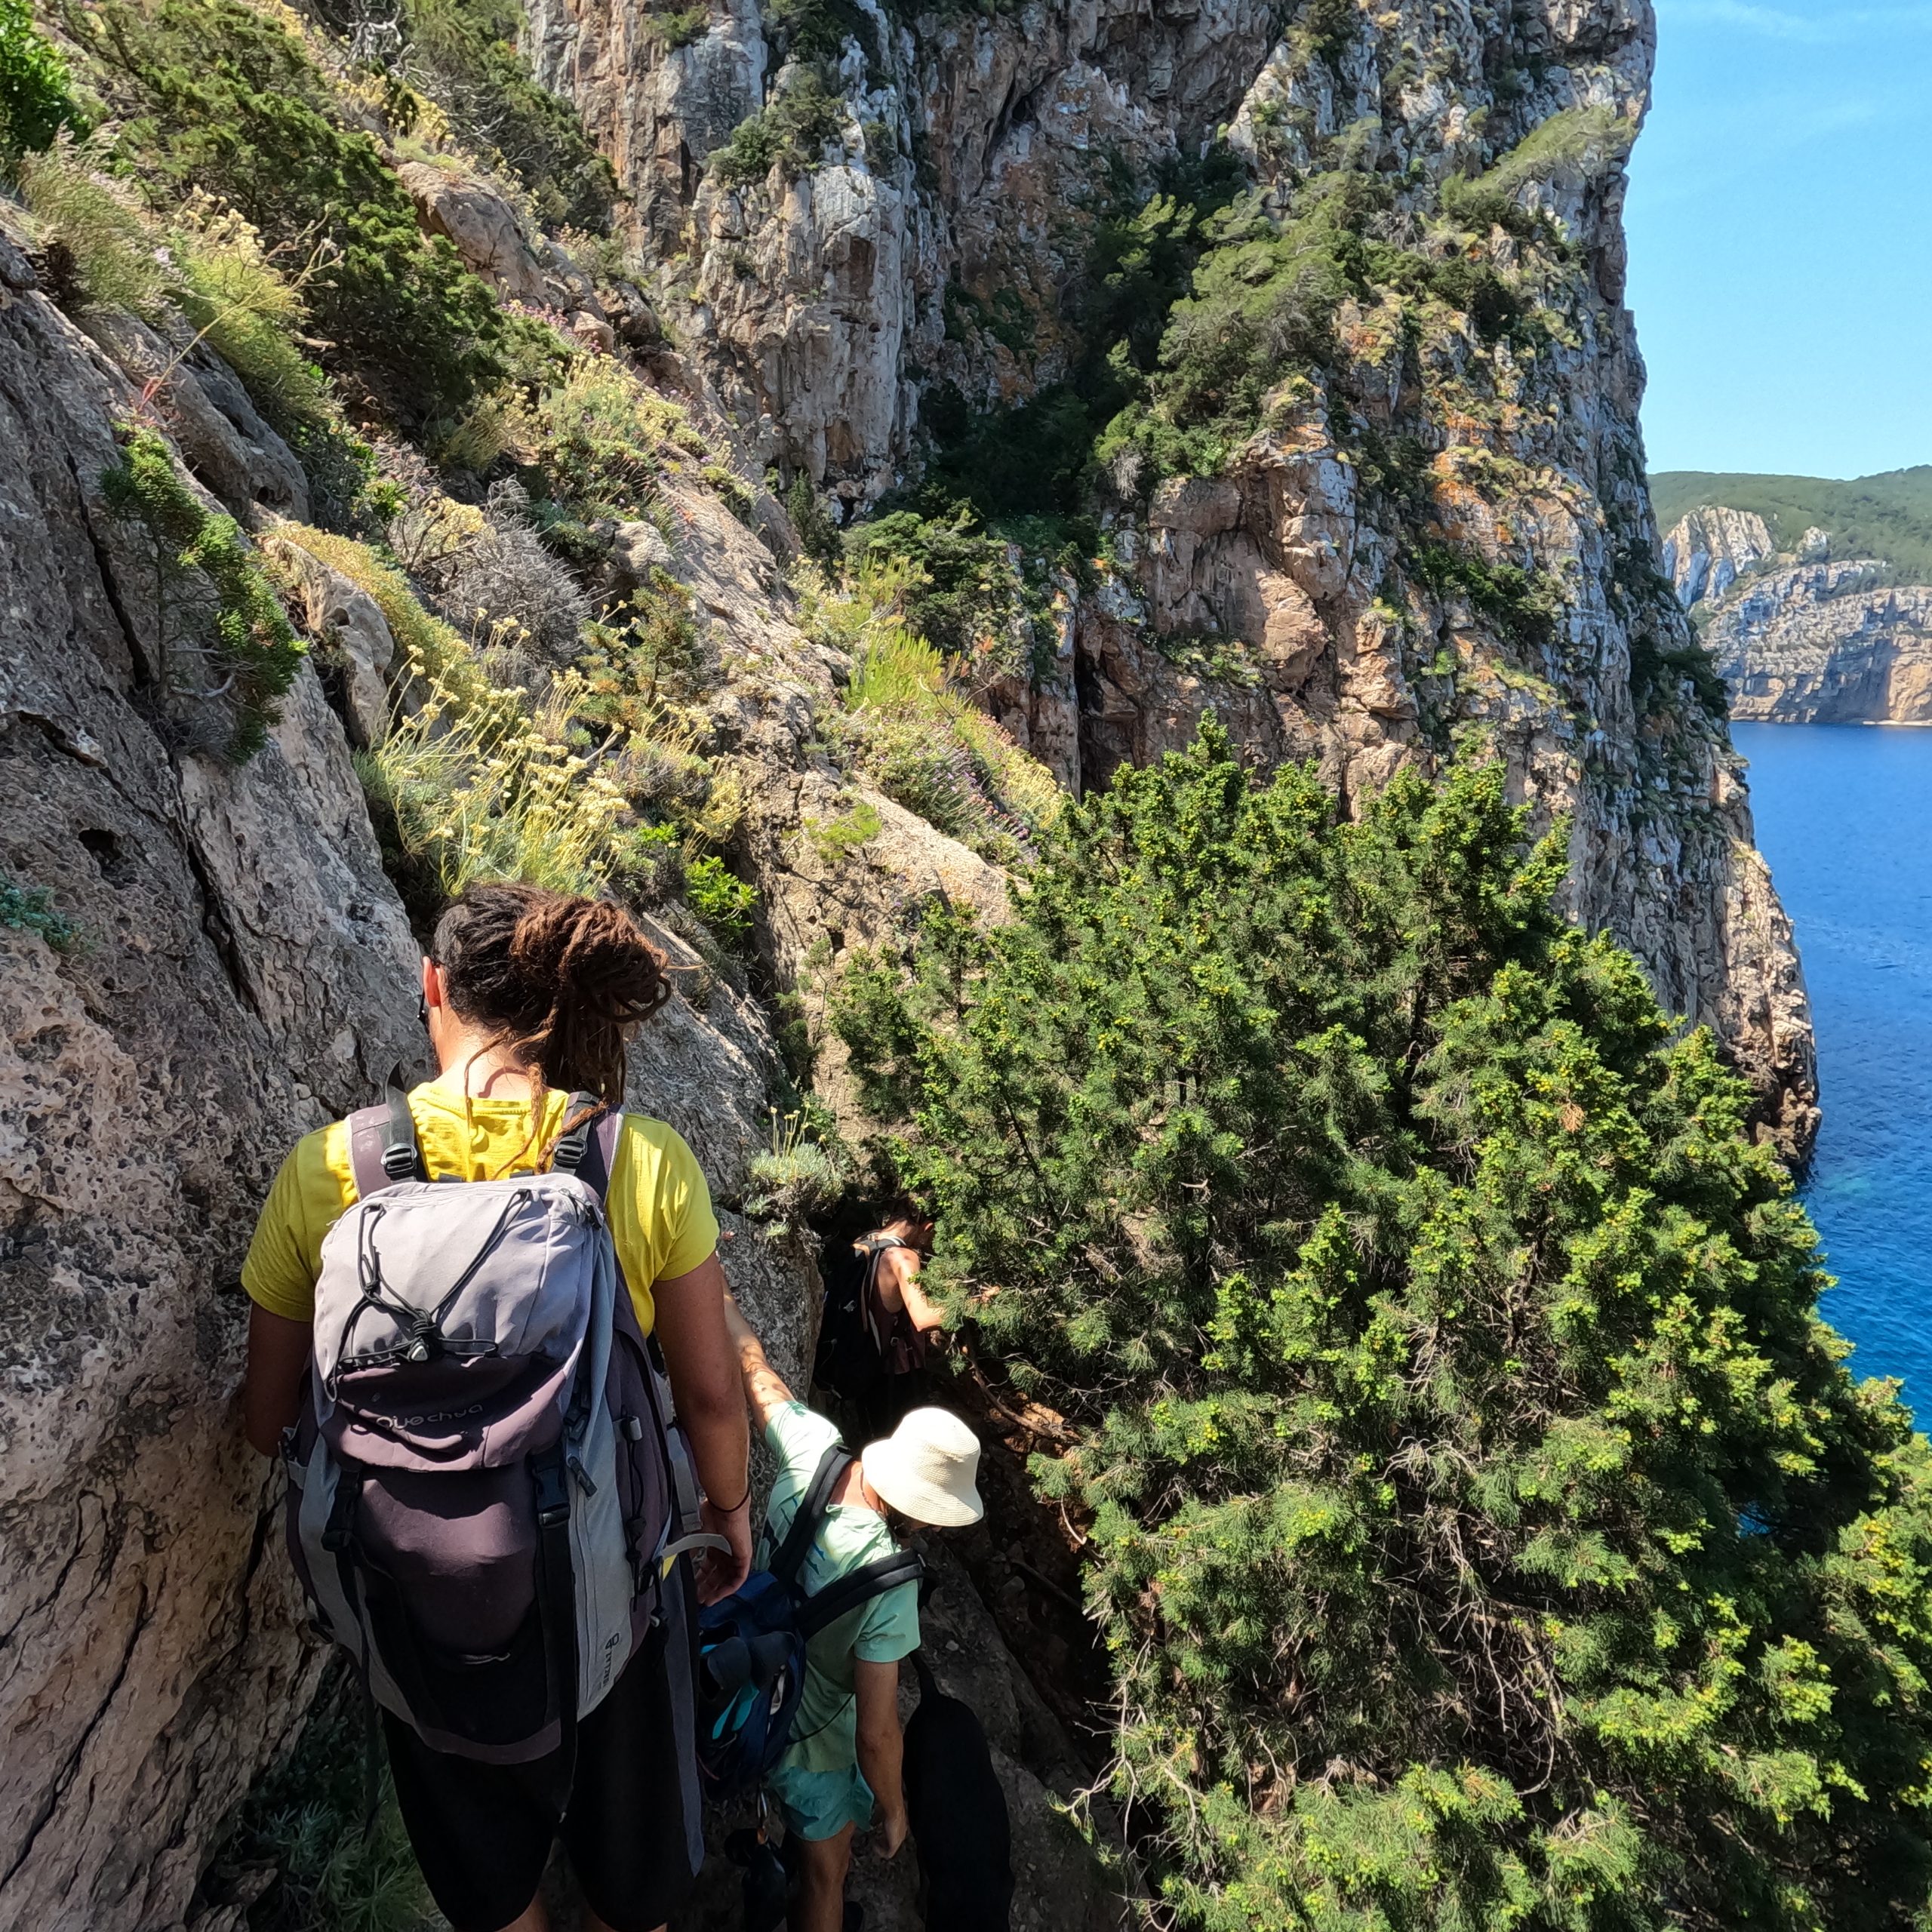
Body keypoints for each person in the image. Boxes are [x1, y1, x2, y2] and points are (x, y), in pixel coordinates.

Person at [240, 882, 754, 1932]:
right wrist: (731, 1515)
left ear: (431, 987)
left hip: (418, 1610)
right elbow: (709, 1394)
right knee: (634, 1897)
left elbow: (264, 1417)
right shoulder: (637, 1163)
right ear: (564, 1009)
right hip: (610, 1599)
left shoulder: (329, 1170)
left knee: (494, 1901)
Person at [722, 1292, 984, 1932]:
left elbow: (755, 1371)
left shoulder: (816, 1447)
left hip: (741, 1683)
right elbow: (875, 1733)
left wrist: (719, 1293)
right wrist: (894, 1812)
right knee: (827, 1875)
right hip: (809, 1742)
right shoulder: (892, 1588)